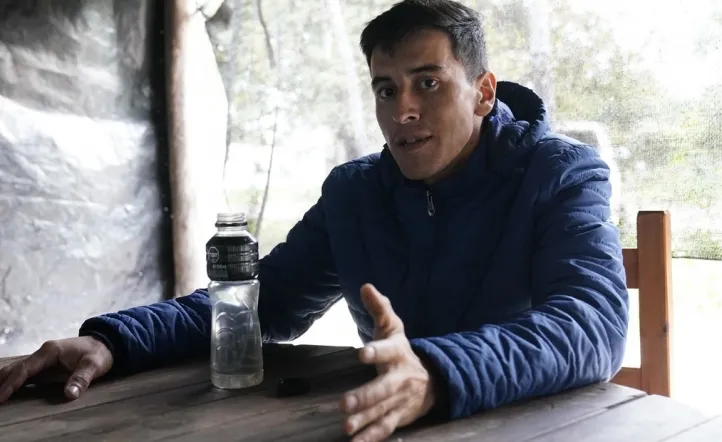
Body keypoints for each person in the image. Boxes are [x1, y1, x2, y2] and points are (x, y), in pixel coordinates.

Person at [0, 0, 629, 441]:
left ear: (483, 92)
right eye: (386, 89)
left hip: (541, 425)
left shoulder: (562, 173)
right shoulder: (355, 193)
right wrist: (115, 341)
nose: (403, 111)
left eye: (429, 83)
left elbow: (593, 324)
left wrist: (437, 373)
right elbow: (262, 303)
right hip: (381, 425)